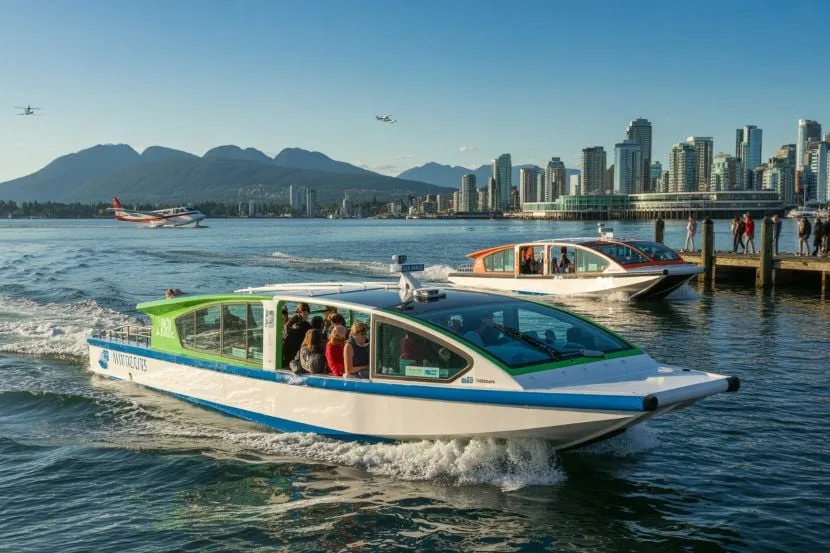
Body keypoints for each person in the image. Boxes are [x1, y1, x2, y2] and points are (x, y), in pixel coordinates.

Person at [282, 303, 311, 368]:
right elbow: (286, 328)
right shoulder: (295, 317)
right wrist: (292, 327)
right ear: (300, 312)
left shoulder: (304, 321)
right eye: (305, 314)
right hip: (291, 341)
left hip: (297, 340)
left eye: (307, 314)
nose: (306, 316)